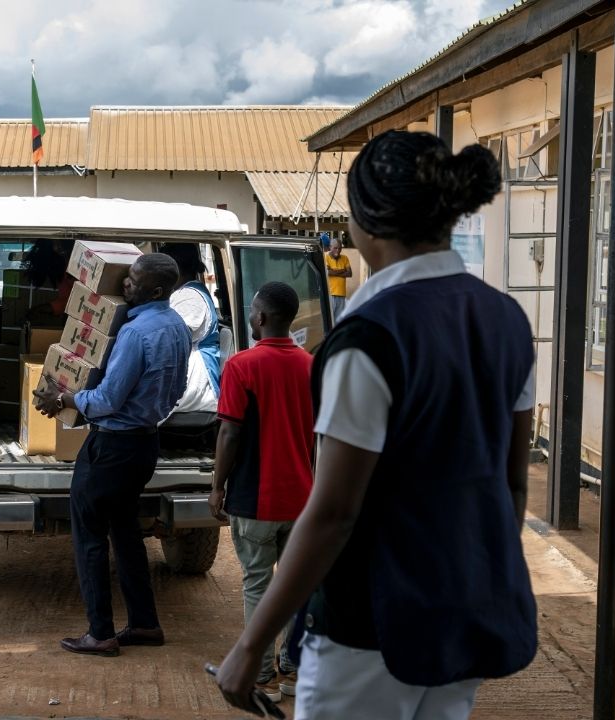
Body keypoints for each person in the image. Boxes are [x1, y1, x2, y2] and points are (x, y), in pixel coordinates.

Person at [216, 130, 538, 719]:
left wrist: (250, 645)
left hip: (370, 627)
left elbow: (336, 511)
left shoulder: (368, 336)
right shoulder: (507, 320)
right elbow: (512, 482)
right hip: (461, 615)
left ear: (365, 223)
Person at [32, 253, 190, 657]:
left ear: (155, 289)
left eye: (134, 281)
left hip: (113, 446)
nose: (125, 285)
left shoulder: (136, 334)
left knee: (89, 535)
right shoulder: (176, 326)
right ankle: (144, 624)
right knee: (125, 532)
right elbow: (177, 390)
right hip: (145, 444)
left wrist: (65, 397)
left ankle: (100, 633)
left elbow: (106, 398)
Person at [208, 281, 315, 704]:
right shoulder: (310, 365)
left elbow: (230, 432)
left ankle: (264, 675)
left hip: (256, 498)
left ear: (263, 318)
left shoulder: (241, 366)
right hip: (303, 499)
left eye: (253, 311)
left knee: (257, 584)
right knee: (295, 587)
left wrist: (217, 487)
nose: (250, 316)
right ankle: (291, 669)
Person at [160, 243, 221, 416]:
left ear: (176, 269)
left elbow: (172, 340)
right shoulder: (182, 293)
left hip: (195, 380)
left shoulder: (190, 297)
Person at [325, 235, 353, 320]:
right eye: (335, 248)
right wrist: (342, 270)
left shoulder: (345, 258)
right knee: (329, 320)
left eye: (340, 248)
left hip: (341, 294)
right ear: (330, 247)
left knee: (338, 320)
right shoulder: (325, 257)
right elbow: (328, 272)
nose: (338, 250)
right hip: (330, 294)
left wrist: (334, 271)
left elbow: (349, 273)